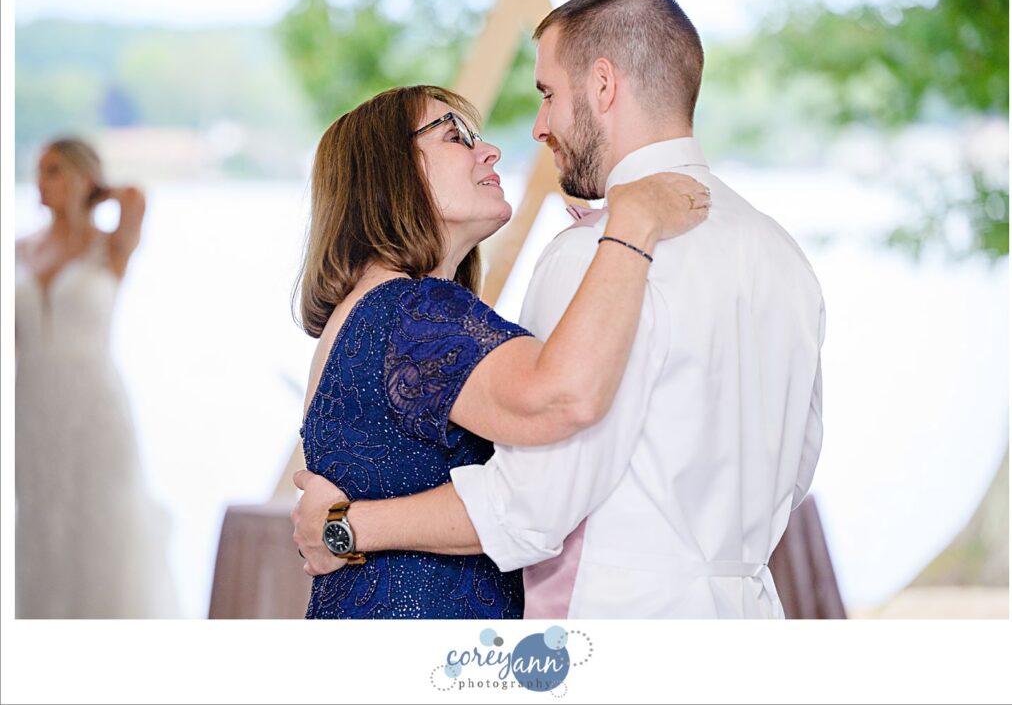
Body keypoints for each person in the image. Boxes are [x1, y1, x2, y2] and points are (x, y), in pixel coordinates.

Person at [293, 0, 826, 619]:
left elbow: (534, 501)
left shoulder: (600, 255)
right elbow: (795, 470)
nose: (536, 128)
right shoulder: (780, 253)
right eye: (458, 135)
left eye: (547, 94)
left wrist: (344, 527)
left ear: (602, 86)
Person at [294, 85, 709, 619]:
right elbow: (561, 397)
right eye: (455, 136)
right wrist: (632, 226)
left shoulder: (374, 311)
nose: (489, 151)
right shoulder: (413, 312)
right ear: (388, 172)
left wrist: (344, 528)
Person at [15, 137, 178, 618]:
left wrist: (95, 194)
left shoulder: (110, 246)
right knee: (41, 520)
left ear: (83, 178)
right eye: (39, 171)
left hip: (94, 404)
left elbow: (136, 197)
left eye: (54, 170)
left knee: (103, 517)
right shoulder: (20, 249)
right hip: (33, 404)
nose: (41, 182)